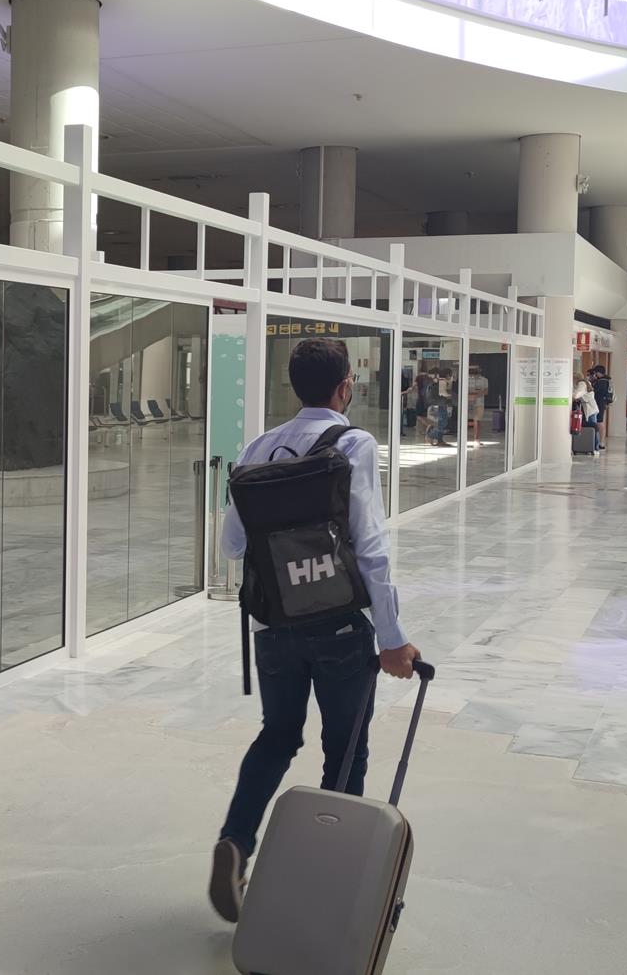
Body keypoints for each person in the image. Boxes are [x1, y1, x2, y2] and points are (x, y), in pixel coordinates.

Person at [209, 338, 421, 922]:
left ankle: (235, 841)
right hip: (338, 630)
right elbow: (370, 546)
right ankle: (322, 878)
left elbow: (230, 544)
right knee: (345, 750)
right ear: (345, 385)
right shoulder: (353, 443)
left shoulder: (260, 445)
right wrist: (391, 637)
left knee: (277, 736)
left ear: (293, 384)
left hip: (273, 628)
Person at [465, 362, 488, 446]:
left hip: (479, 403)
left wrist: (476, 395)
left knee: (477, 421)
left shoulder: (484, 380)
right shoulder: (465, 379)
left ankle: (476, 439)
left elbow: (486, 391)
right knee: (465, 421)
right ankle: (463, 438)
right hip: (467, 403)